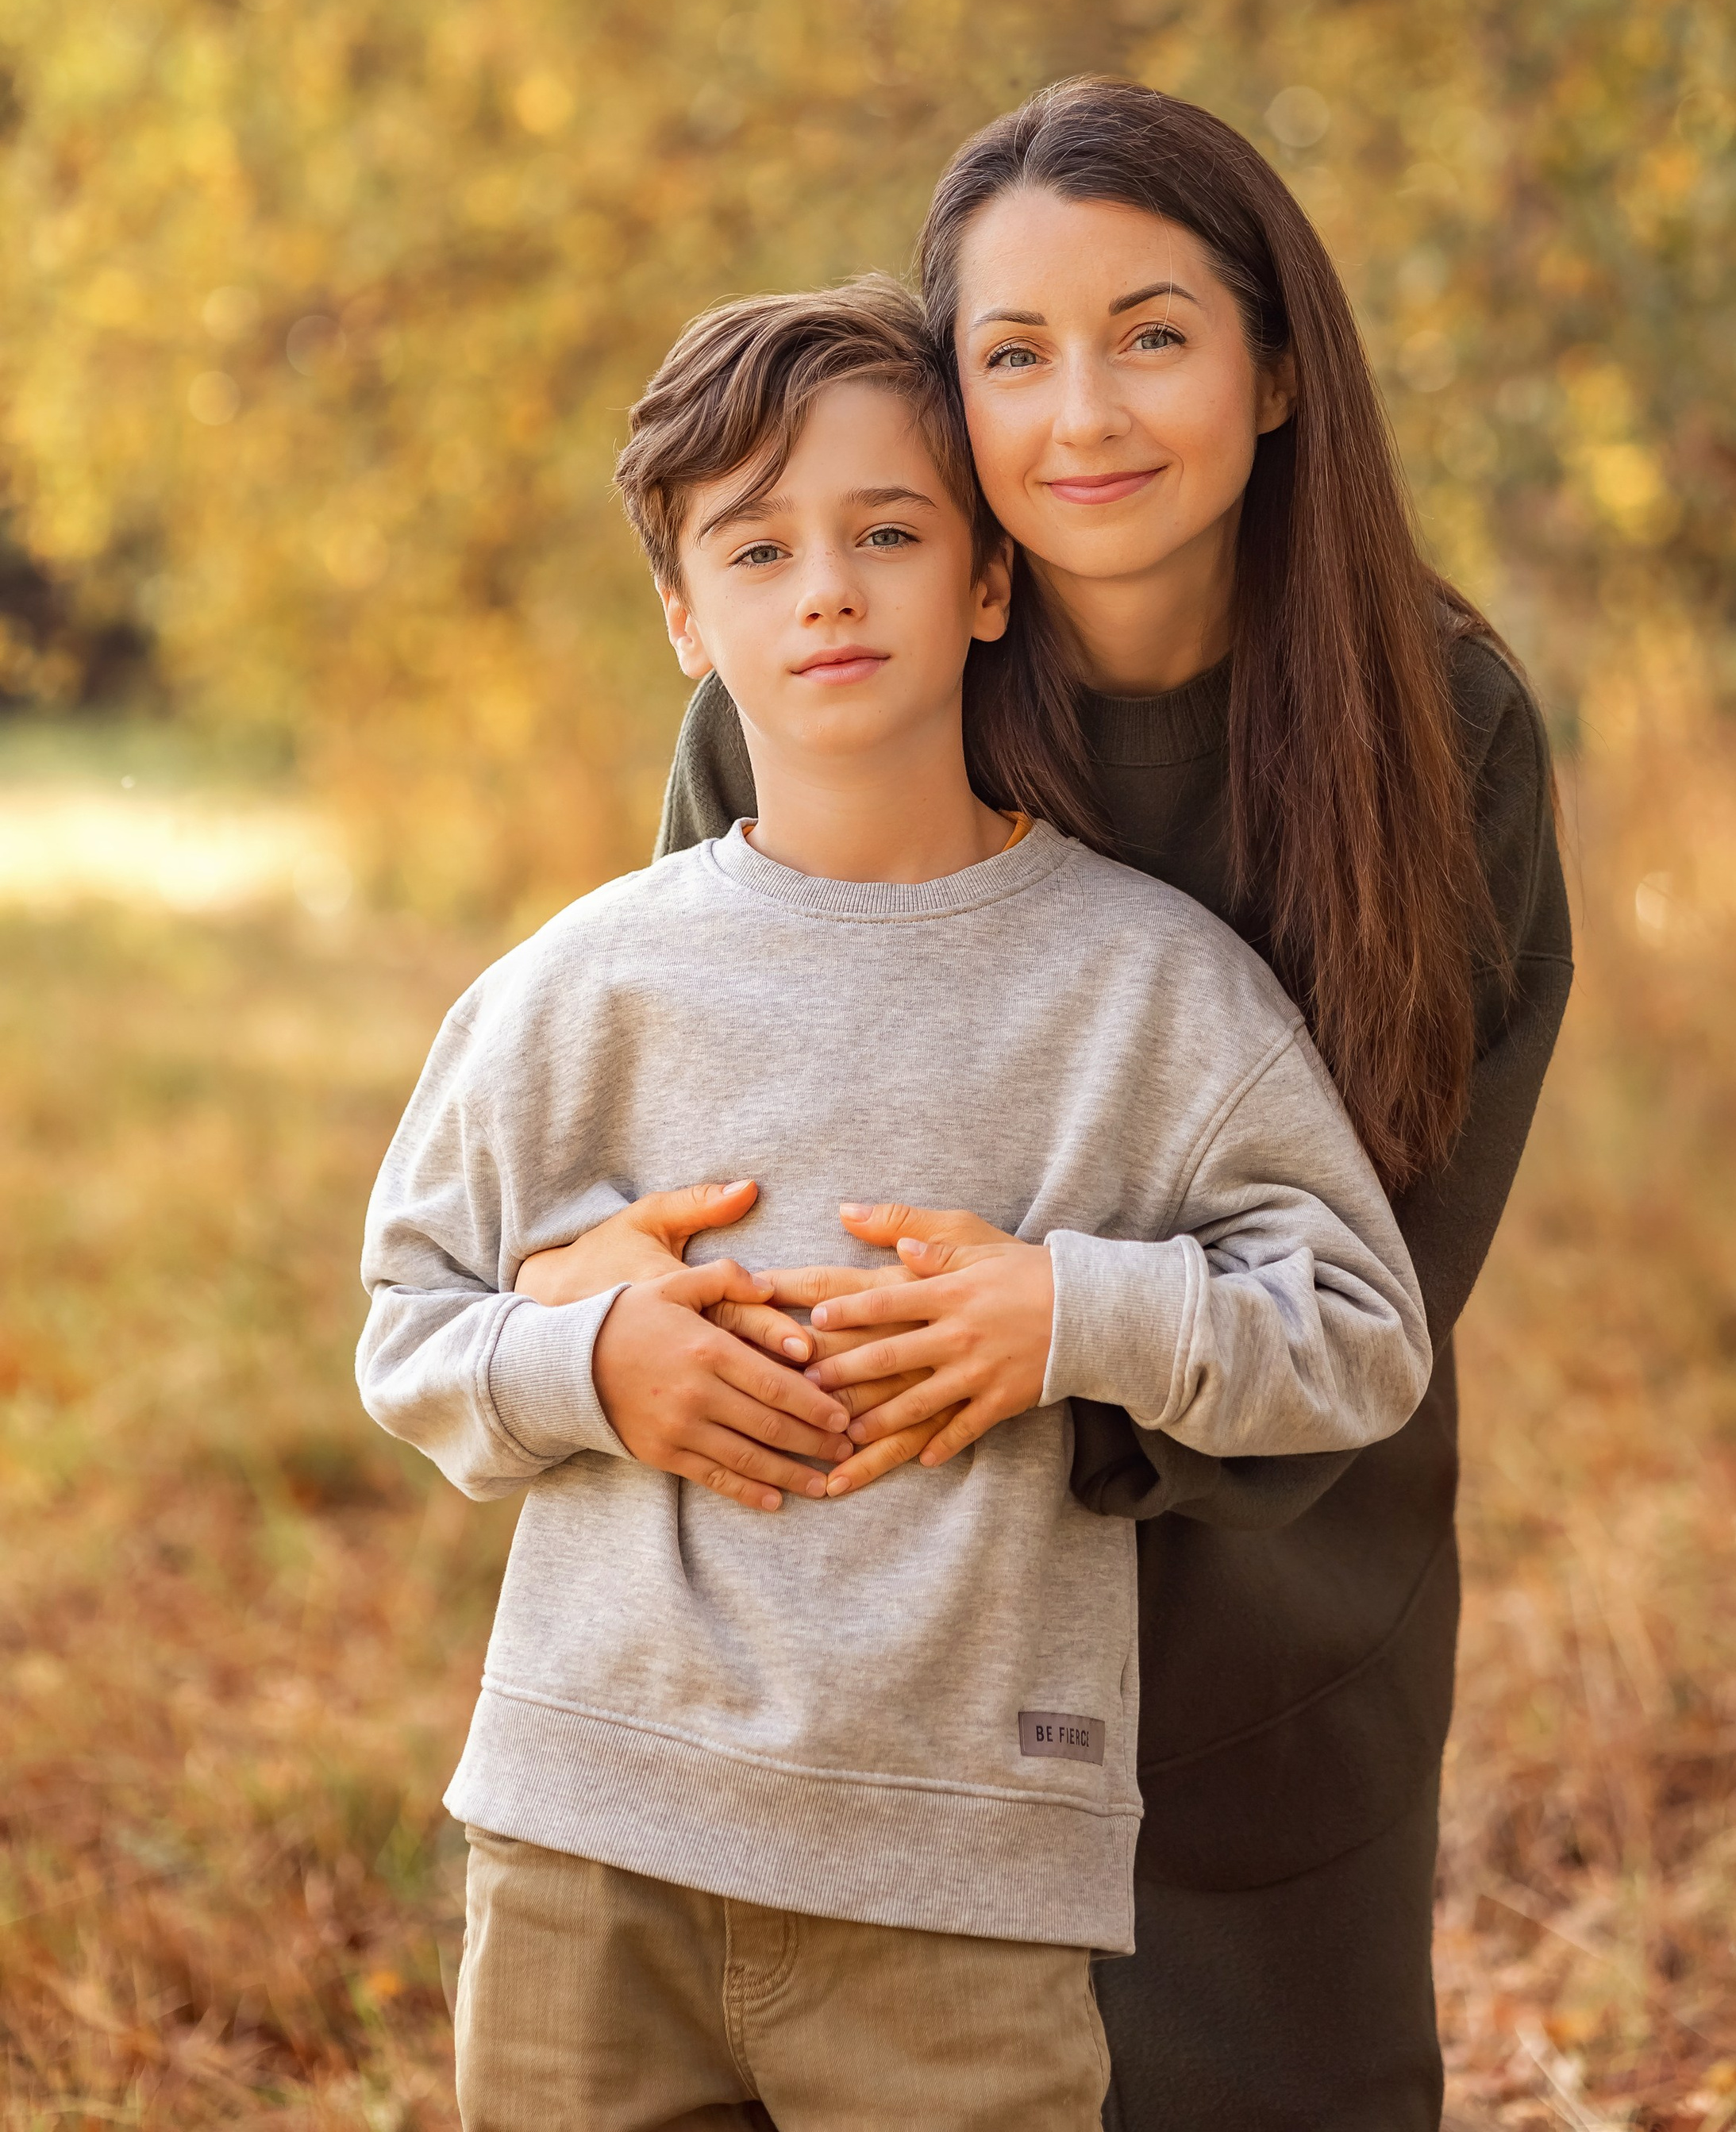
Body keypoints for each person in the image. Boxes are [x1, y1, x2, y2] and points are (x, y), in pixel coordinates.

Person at [534, 76, 1572, 2130]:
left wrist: (1059, 1335)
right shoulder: (837, 682)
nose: (1082, 413)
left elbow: (1389, 1266)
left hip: (1269, 1599)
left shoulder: (1441, 731)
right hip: (895, 1603)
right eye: (1014, 355)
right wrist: (607, 1299)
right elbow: (694, 1129)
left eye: (1152, 334)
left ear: (1277, 367)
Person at [358, 275, 1432, 2132]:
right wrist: (592, 1361)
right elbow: (410, 1330)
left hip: (962, 1888)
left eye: (885, 534)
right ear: (685, 618)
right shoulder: (572, 991)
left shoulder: (1145, 990)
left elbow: (1358, 1338)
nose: (828, 591)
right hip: (584, 1845)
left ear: (988, 582)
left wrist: (1071, 1317)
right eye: (757, 550)